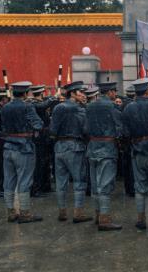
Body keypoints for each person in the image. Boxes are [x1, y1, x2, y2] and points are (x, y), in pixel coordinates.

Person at [49, 81, 93, 224]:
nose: (83, 95)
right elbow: (86, 130)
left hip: (59, 147)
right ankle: (78, 212)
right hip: (75, 147)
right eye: (80, 92)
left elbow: (52, 130)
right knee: (79, 180)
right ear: (72, 93)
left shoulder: (58, 107)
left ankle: (62, 212)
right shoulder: (80, 109)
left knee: (61, 182)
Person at [1, 81, 44, 223]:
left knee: (9, 180)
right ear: (26, 93)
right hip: (24, 147)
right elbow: (38, 124)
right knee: (25, 180)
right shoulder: (28, 106)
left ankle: (10, 211)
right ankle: (25, 213)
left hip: (8, 147)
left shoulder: (5, 107)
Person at [122, 78, 148, 230]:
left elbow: (125, 132)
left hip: (136, 150)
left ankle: (140, 218)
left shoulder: (128, 108)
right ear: (147, 91)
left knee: (139, 186)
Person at [86, 81, 123, 231]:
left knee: (95, 185)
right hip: (107, 149)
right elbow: (120, 129)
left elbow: (85, 128)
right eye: (115, 91)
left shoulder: (89, 106)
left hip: (92, 148)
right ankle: (105, 219)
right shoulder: (112, 107)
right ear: (111, 92)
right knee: (105, 185)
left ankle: (98, 215)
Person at [28, 85, 56, 197]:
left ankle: (45, 186)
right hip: (39, 138)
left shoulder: (41, 103)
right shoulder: (33, 104)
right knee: (39, 163)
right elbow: (43, 106)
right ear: (41, 93)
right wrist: (52, 98)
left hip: (46, 137)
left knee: (46, 162)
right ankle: (36, 189)